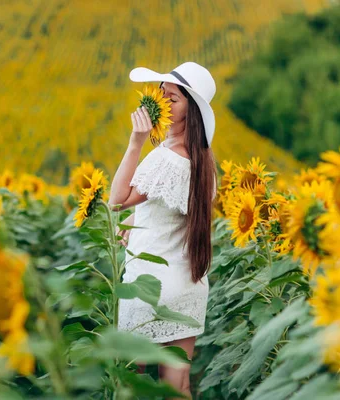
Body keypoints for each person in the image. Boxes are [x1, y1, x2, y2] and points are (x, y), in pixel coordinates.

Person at [108, 61, 218, 399]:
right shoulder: (204, 163)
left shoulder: (166, 158)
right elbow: (165, 212)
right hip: (188, 285)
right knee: (179, 385)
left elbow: (116, 200)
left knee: (133, 382)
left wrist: (135, 141)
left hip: (150, 285)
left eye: (174, 99)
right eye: (163, 95)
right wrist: (133, 224)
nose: (163, 103)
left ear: (191, 112)